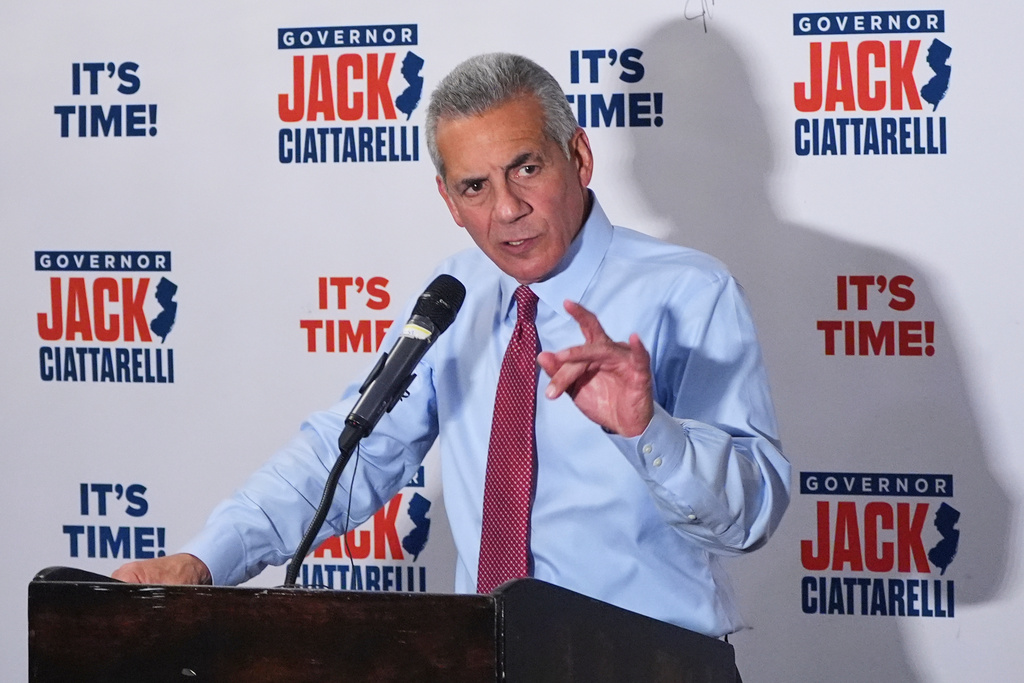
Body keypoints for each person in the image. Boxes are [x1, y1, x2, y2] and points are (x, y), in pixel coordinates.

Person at [114, 53, 790, 638]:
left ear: (578, 156)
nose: (506, 208)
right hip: (489, 660)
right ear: (448, 198)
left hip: (647, 664)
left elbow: (749, 516)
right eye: (475, 186)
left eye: (526, 168)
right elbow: (346, 450)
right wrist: (204, 560)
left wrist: (651, 430)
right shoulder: (455, 295)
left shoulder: (690, 291)